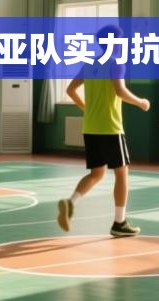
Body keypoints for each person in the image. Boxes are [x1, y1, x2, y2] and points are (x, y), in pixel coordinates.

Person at [57, 26, 150, 238]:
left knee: (97, 173)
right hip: (110, 127)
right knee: (122, 173)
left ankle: (70, 203)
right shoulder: (116, 62)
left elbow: (70, 90)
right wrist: (141, 102)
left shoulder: (89, 63)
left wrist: (86, 108)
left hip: (90, 127)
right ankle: (119, 222)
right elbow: (120, 91)